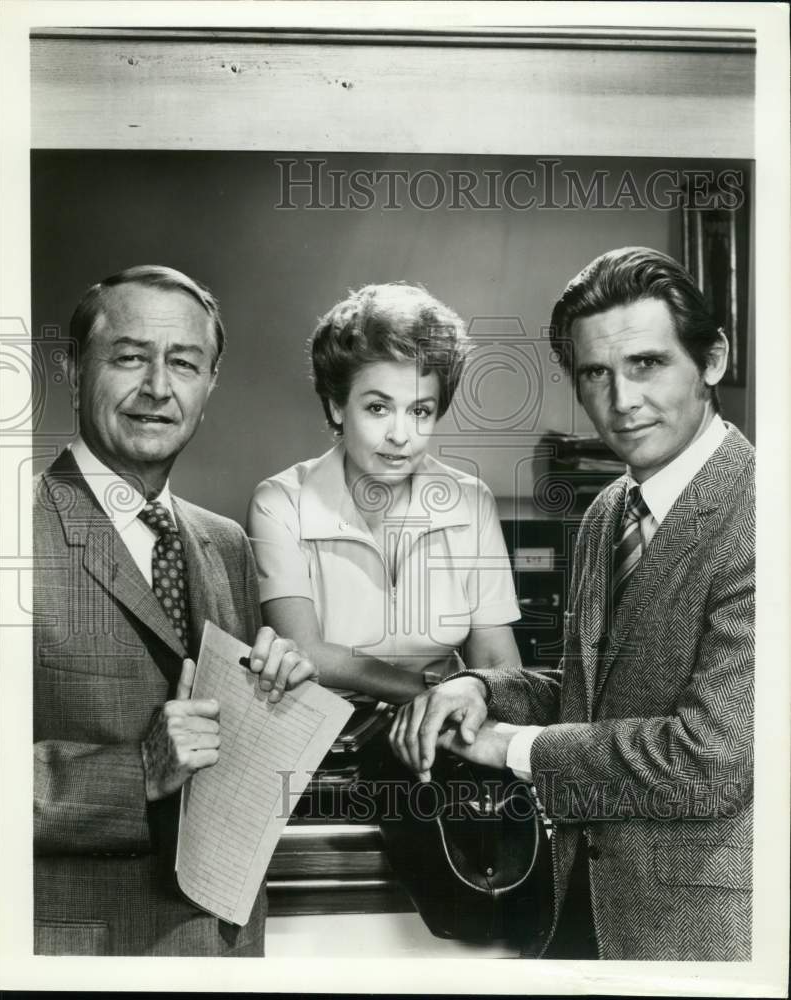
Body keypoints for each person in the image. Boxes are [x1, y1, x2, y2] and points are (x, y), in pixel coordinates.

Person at [390, 247, 754, 961]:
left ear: (711, 359)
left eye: (647, 364)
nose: (621, 401)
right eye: (596, 374)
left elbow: (711, 760)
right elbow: (594, 696)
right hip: (582, 915)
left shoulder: (766, 513)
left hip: (703, 941)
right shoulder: (608, 512)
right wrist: (481, 686)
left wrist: (507, 745)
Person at [34, 265, 315, 956]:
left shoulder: (226, 545)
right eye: (129, 358)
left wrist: (276, 712)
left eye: (184, 363)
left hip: (224, 947)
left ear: (209, 384)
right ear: (74, 369)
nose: (158, 388)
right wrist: (139, 771)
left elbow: (232, 773)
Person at [246, 282, 522, 704]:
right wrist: (429, 694)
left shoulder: (471, 501)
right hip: (329, 738)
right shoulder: (279, 502)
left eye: (419, 411)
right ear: (337, 406)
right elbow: (306, 652)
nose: (400, 436)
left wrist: (481, 712)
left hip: (444, 731)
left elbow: (496, 657)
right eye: (378, 408)